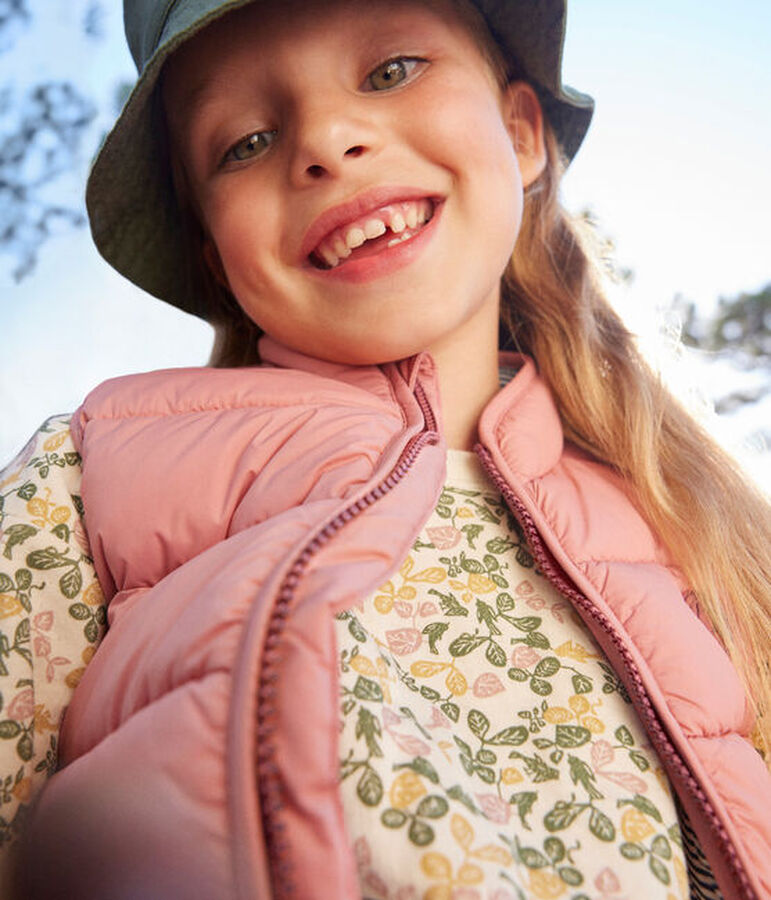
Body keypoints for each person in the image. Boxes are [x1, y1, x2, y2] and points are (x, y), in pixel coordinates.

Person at [1, 0, 769, 897]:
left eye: (392, 69)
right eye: (244, 141)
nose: (325, 139)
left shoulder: (696, 535)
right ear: (215, 257)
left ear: (520, 132)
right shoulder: (92, 481)